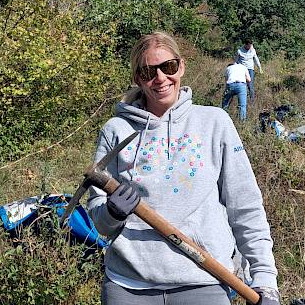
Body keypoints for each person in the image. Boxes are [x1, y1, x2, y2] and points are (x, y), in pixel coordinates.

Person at [86, 32, 279, 305]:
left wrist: (265, 282)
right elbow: (100, 222)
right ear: (138, 79)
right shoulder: (116, 130)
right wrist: (111, 213)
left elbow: (245, 206)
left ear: (181, 66)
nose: (161, 78)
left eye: (168, 67)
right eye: (148, 72)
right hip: (128, 286)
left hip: (204, 279)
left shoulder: (215, 123)